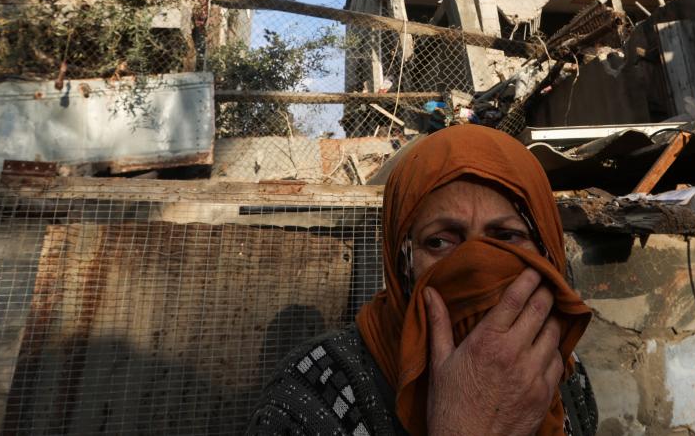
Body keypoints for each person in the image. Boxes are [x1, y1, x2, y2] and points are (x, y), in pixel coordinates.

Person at [246, 124, 598, 436]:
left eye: (505, 237)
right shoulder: (316, 391)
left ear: (547, 250)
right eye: (440, 241)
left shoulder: (561, 370)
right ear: (404, 263)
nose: (475, 264)